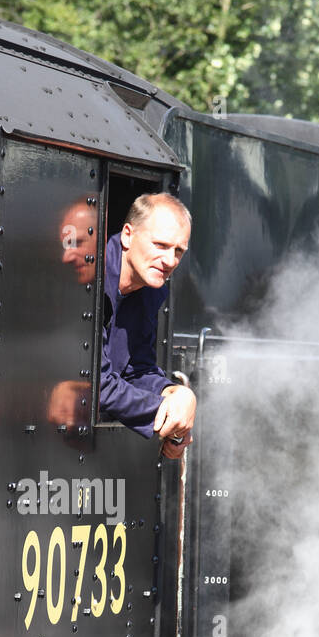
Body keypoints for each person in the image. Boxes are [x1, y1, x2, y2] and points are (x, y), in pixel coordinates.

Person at [100, 193, 196, 459]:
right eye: (161, 245)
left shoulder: (149, 292)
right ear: (128, 235)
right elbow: (94, 384)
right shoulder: (89, 277)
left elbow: (136, 369)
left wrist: (174, 393)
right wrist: (170, 416)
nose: (170, 261)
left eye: (178, 251)